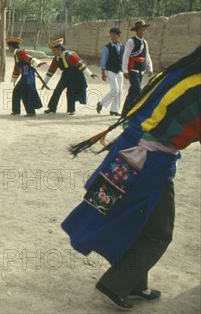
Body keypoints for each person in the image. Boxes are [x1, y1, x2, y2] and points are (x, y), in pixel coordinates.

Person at [62, 46, 201, 311]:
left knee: (141, 218)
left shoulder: (179, 72)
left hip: (128, 148)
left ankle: (135, 283)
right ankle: (116, 284)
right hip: (148, 161)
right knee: (160, 232)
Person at [43, 38, 98, 115]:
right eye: (53, 51)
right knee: (57, 90)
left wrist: (90, 74)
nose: (53, 52)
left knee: (71, 91)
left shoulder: (69, 55)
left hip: (76, 74)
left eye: (54, 50)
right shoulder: (56, 58)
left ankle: (72, 110)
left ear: (59, 48)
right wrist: (45, 83)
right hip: (66, 74)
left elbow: (80, 65)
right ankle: (52, 108)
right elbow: (51, 71)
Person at [8, 37, 46, 116]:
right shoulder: (16, 54)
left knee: (25, 92)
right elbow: (17, 67)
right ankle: (17, 111)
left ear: (11, 47)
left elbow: (29, 58)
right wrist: (14, 79)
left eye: (9, 47)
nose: (9, 48)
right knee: (18, 92)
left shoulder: (20, 52)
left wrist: (38, 63)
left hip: (28, 75)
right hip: (25, 75)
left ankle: (30, 112)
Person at [122, 20, 153, 116]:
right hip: (133, 70)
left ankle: (124, 113)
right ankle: (135, 112)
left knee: (132, 92)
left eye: (144, 30)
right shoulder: (131, 41)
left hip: (141, 71)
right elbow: (126, 56)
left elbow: (146, 56)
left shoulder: (145, 42)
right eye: (140, 30)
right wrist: (125, 70)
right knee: (138, 91)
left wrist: (150, 68)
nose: (142, 31)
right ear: (136, 31)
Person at [97, 27, 125, 116]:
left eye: (114, 35)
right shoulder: (107, 47)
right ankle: (101, 103)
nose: (112, 37)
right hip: (111, 70)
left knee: (120, 90)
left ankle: (114, 110)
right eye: (111, 35)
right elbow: (103, 60)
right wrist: (103, 72)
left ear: (119, 36)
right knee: (115, 90)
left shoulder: (122, 47)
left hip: (120, 71)